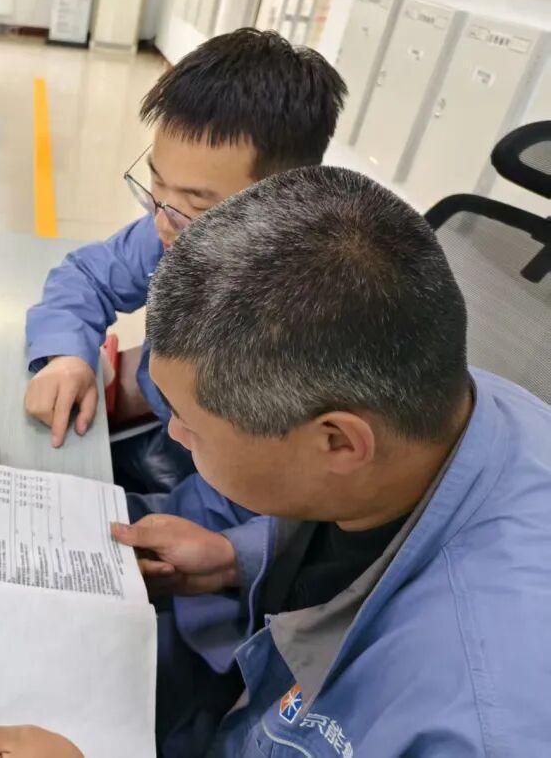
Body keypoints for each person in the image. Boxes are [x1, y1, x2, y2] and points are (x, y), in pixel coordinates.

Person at [0, 167, 551, 756]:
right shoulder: (441, 397)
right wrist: (235, 557)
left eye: (193, 423)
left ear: (337, 442)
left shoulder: (474, 723)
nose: (172, 433)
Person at [24, 28, 348, 496]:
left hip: (236, 490)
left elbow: (265, 500)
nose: (162, 222)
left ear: (281, 201)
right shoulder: (177, 228)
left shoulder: (300, 326)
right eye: (157, 185)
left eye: (197, 203)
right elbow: (88, 275)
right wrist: (66, 356)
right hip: (168, 435)